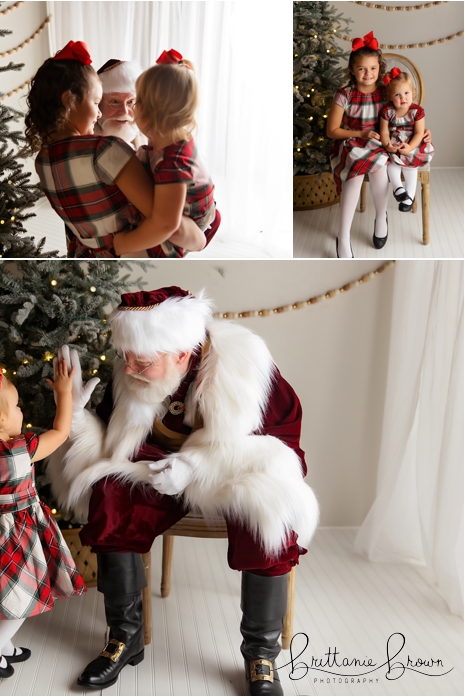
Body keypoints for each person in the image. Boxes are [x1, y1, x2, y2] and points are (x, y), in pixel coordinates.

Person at [49, 287, 319, 695]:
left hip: (230, 466)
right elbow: (110, 445)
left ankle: (261, 654)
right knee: (110, 492)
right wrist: (75, 413)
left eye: (143, 360)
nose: (130, 367)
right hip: (153, 466)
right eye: (126, 357)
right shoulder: (133, 368)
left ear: (180, 352)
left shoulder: (244, 365)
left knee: (266, 507)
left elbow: (281, 442)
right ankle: (124, 638)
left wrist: (195, 467)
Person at [0, 359, 87, 678]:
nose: (20, 411)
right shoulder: (23, 449)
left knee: (5, 589)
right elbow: (61, 431)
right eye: (16, 406)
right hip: (19, 532)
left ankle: (5, 646)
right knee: (23, 596)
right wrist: (65, 393)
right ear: (0, 418)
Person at [26, 41, 205, 258]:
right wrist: (201, 240)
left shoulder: (42, 161)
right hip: (139, 252)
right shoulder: (105, 150)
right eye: (96, 102)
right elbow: (167, 223)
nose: (99, 114)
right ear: (70, 101)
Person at [326, 31, 431, 257]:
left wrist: (423, 131)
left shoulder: (386, 93)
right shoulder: (345, 94)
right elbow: (332, 130)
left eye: (373, 68)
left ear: (379, 69)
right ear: (352, 70)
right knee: (353, 179)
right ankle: (343, 237)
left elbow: (409, 114)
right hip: (353, 143)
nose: (368, 73)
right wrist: (361, 133)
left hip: (383, 144)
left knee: (380, 170)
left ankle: (381, 218)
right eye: (362, 69)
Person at [129, 50, 221, 252]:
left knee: (161, 227)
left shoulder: (172, 163)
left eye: (136, 102)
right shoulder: (173, 135)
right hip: (204, 204)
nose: (132, 109)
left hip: (195, 220)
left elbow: (166, 224)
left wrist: (124, 243)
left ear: (150, 111)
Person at [378, 69, 434, 213]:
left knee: (411, 165)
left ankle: (409, 196)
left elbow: (419, 132)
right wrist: (387, 145)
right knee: (390, 162)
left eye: (406, 93)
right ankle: (398, 189)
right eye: (397, 94)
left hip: (412, 142)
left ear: (413, 93)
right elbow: (384, 131)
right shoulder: (387, 111)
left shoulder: (417, 111)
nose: (403, 98)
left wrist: (410, 147)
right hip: (393, 141)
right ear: (390, 96)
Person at [94, 59, 147, 148]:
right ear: (99, 103)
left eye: (130, 102)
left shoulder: (147, 138)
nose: (124, 112)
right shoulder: (87, 141)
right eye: (115, 102)